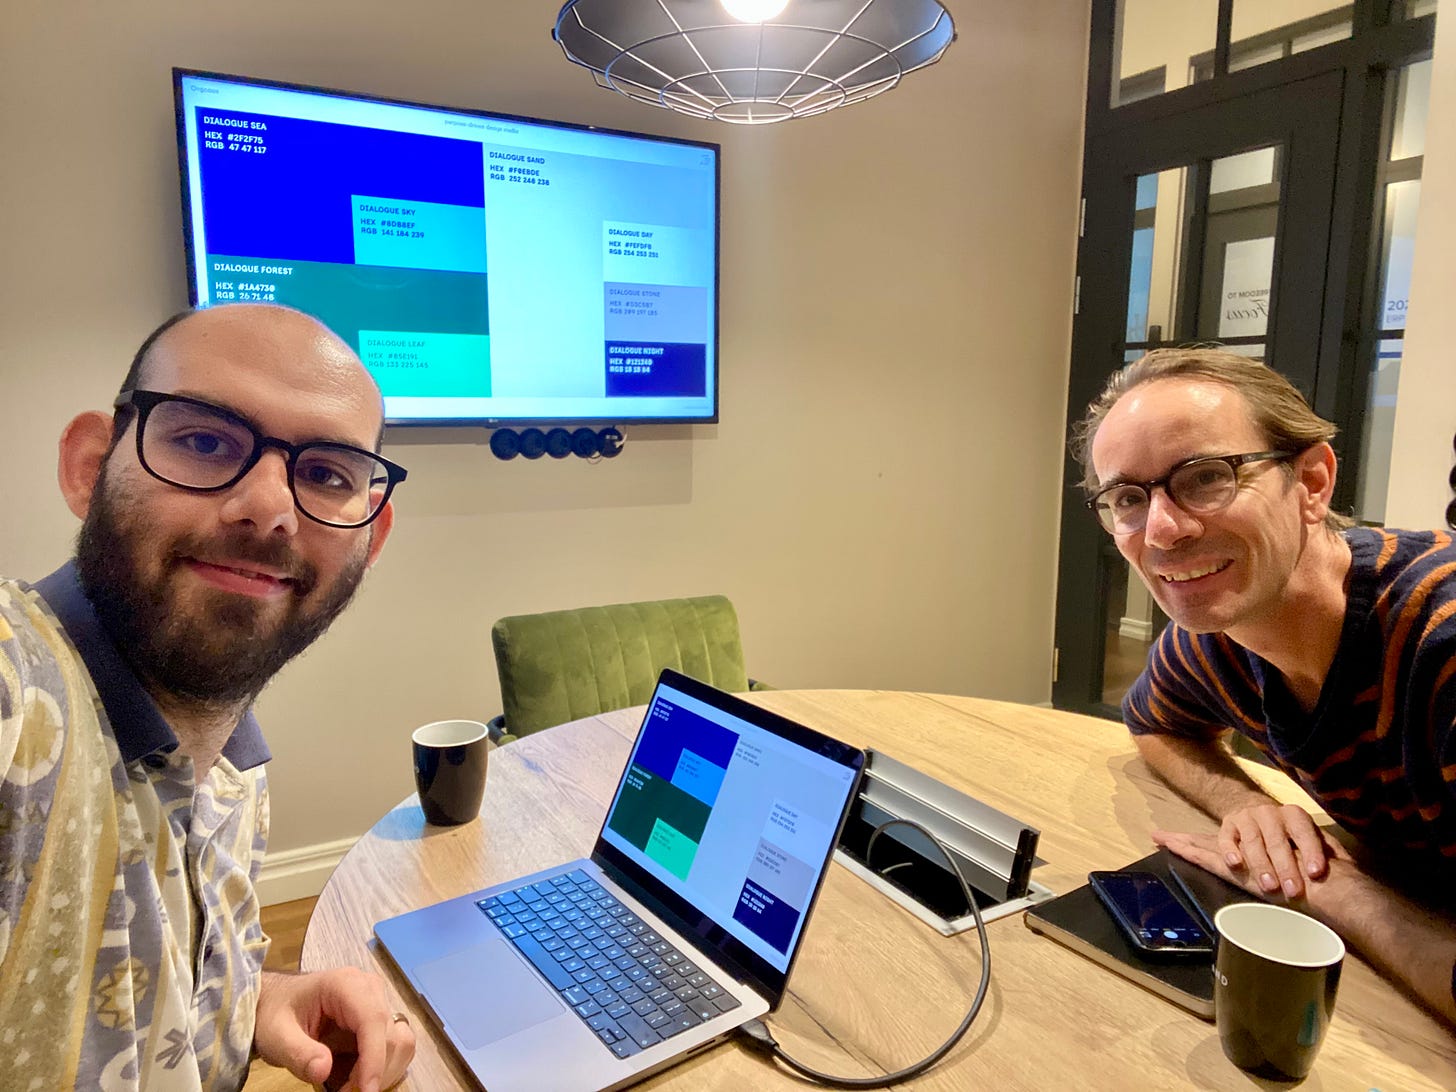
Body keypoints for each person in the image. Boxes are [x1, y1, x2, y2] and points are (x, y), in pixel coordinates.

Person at [0, 304, 417, 1089]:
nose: (270, 508)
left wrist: (255, 1000)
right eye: (203, 442)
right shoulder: (18, 697)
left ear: (372, 538)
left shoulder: (231, 769)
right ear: (90, 467)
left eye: (327, 474)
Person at [1072, 346, 1456, 1025]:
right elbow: (1155, 724)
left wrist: (1336, 892)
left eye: (1205, 477)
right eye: (1128, 498)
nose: (1161, 530)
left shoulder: (1439, 646)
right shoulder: (1219, 635)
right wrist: (1246, 804)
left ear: (1312, 482)